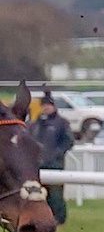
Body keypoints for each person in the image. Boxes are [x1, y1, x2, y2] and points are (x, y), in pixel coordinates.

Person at [29, 91, 73, 224]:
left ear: (53, 107)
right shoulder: (35, 124)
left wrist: (57, 154)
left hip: (55, 164)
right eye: (44, 106)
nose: (46, 108)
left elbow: (68, 141)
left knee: (56, 195)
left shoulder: (62, 123)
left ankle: (59, 219)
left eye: (49, 105)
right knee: (38, 194)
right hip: (38, 165)